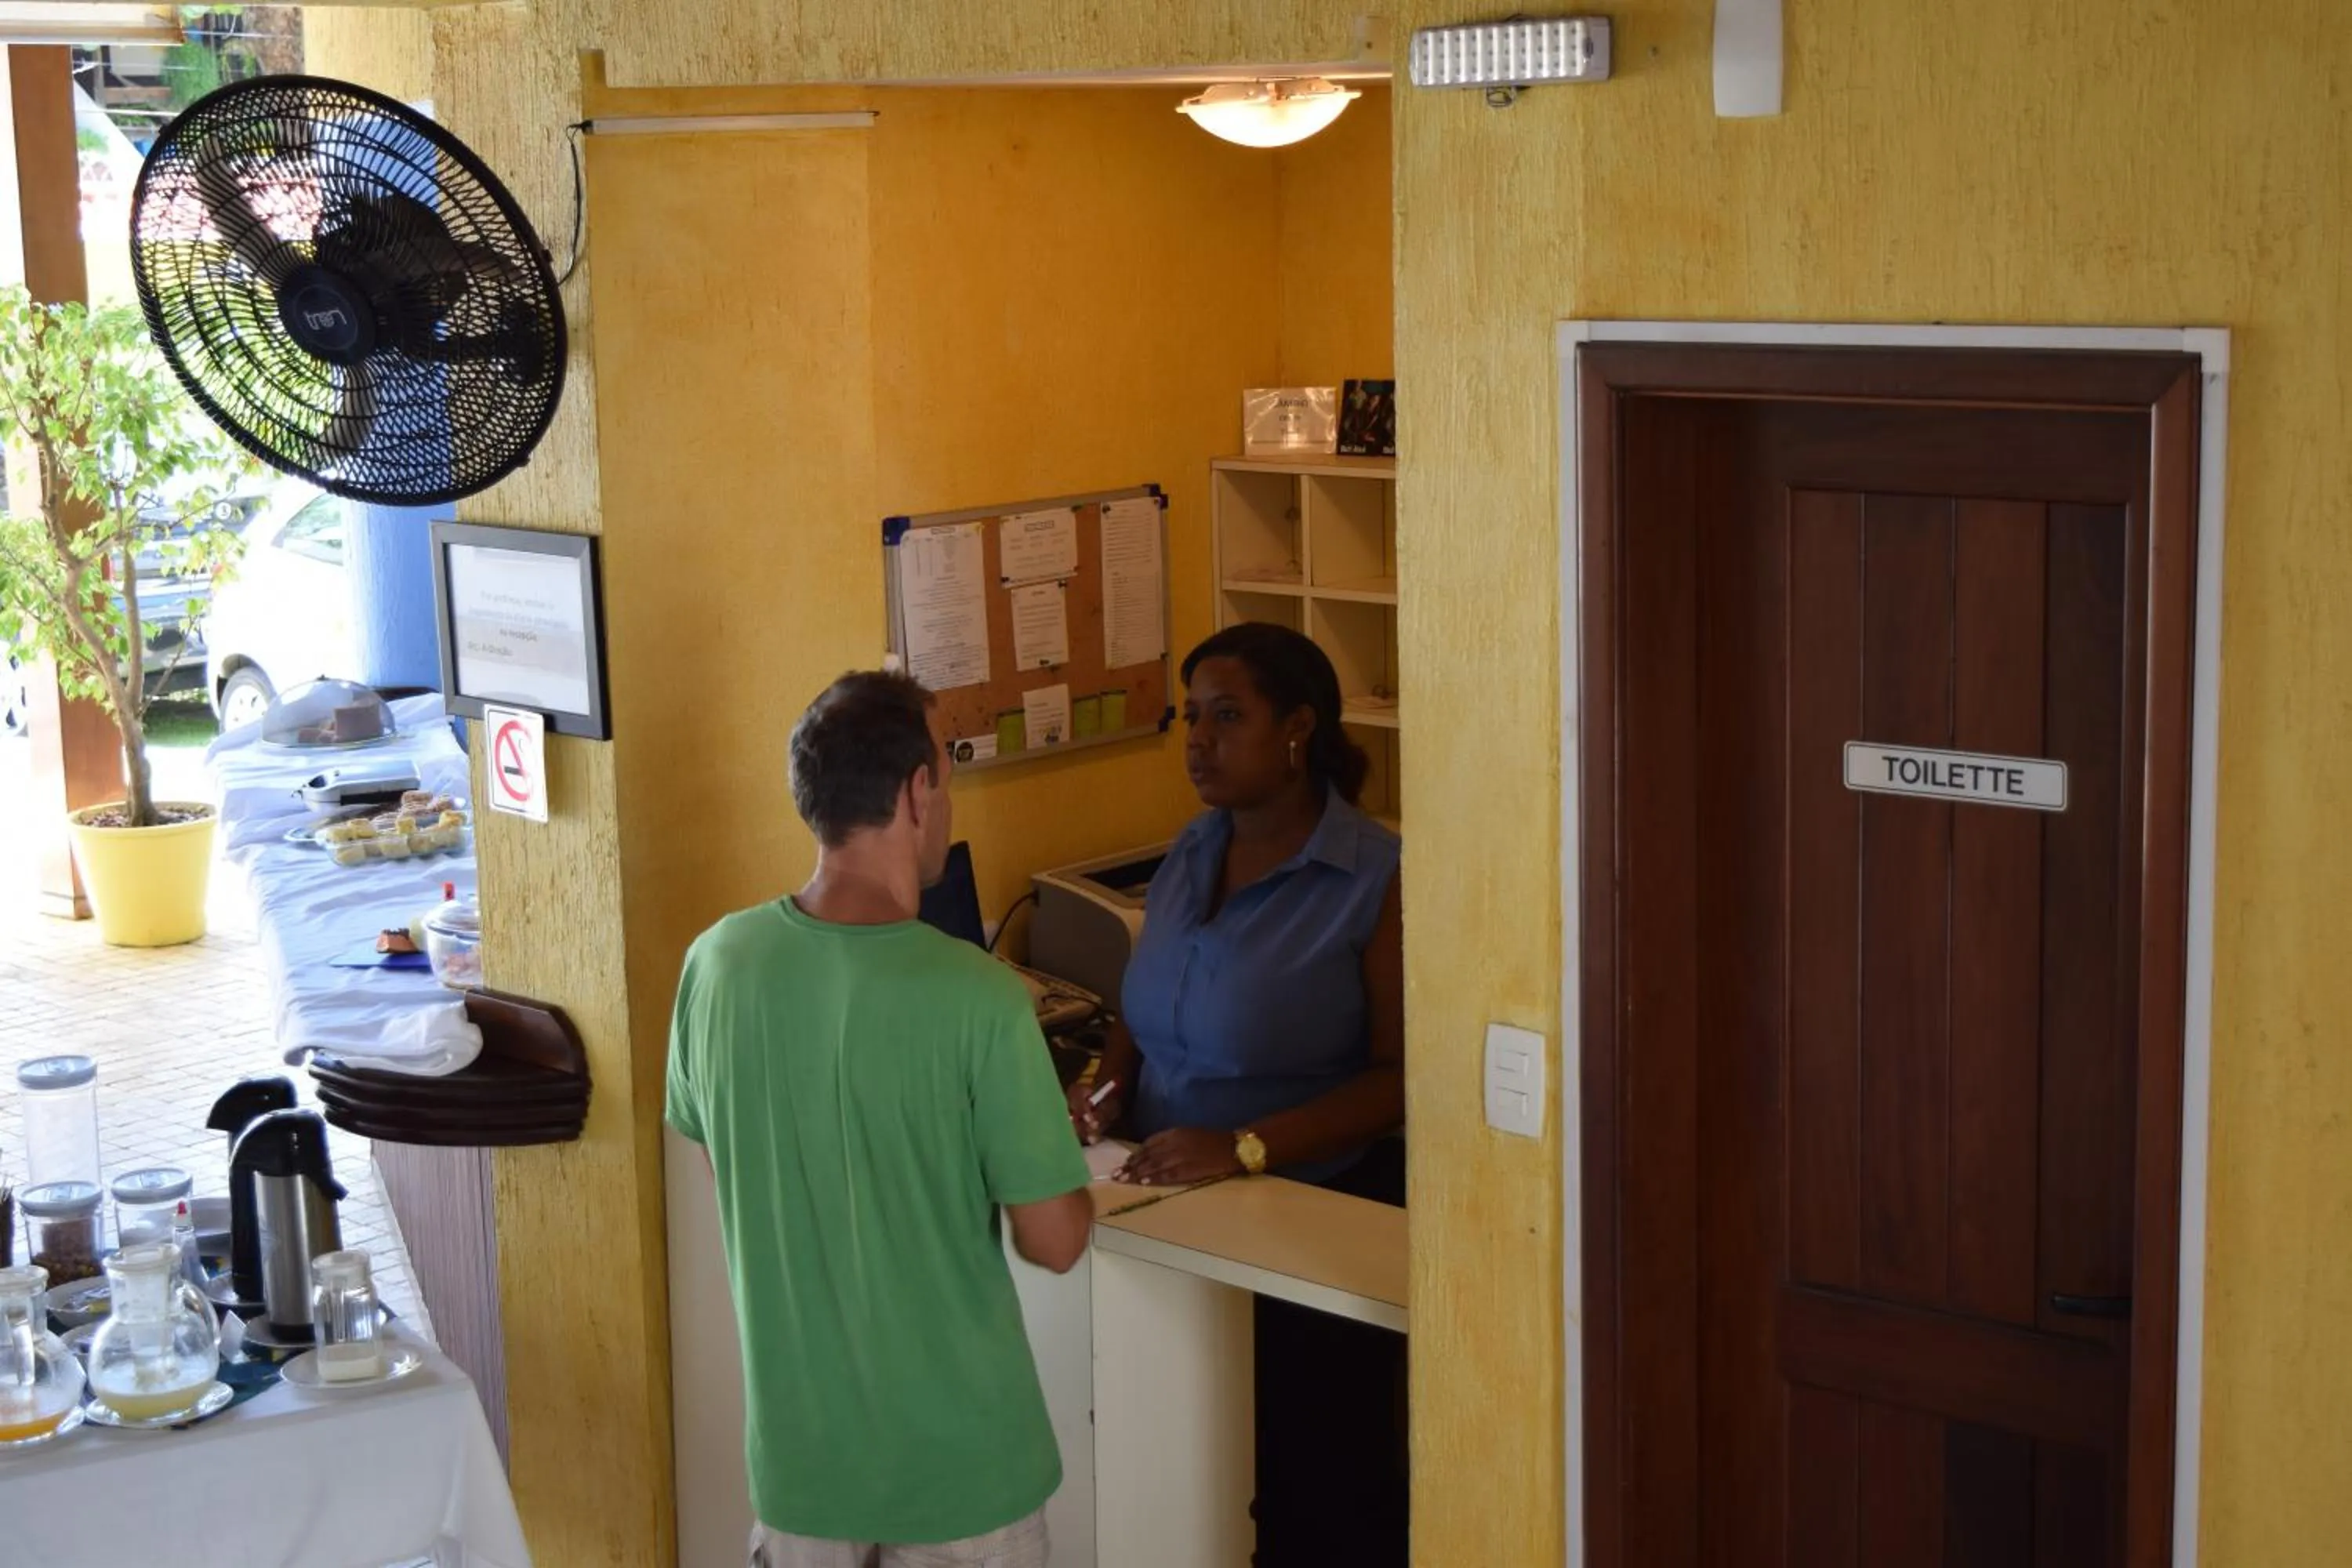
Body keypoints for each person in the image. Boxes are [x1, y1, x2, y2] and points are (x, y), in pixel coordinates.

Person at [666, 670, 1093, 1568]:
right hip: (964, 1475)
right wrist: (1039, 1139)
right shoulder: (980, 998)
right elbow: (1055, 1240)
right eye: (948, 774)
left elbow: (741, 1168)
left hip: (803, 1472)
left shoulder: (716, 964)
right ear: (917, 790)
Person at [1065, 621, 1407, 1566]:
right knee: (1187, 1463)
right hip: (1166, 1202)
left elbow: (1399, 1080)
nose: (1198, 742)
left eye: (1226, 717)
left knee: (1317, 1489)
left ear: (1297, 728)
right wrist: (1104, 1085)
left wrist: (1244, 1143)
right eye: (1190, 718)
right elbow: (1144, 1002)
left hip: (1309, 1210)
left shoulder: (1373, 877)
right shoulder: (1193, 847)